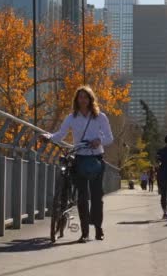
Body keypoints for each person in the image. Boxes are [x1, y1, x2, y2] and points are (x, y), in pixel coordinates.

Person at [42, 86, 114, 243]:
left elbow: (110, 138)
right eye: (80, 97)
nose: (83, 100)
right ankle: (85, 232)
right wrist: (49, 136)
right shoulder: (71, 117)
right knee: (82, 197)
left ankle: (98, 228)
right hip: (80, 158)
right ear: (76, 100)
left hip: (96, 158)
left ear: (90, 99)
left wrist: (99, 141)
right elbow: (61, 134)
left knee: (97, 197)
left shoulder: (100, 117)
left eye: (85, 97)